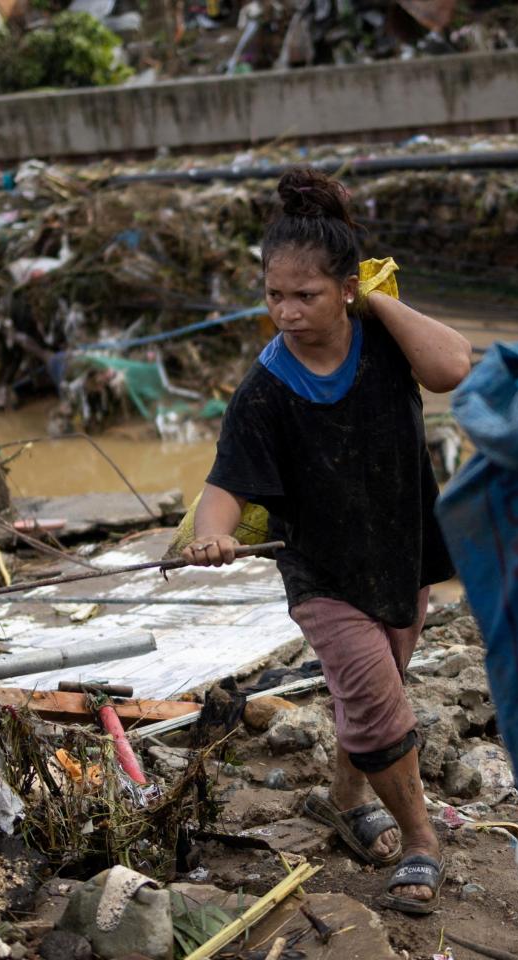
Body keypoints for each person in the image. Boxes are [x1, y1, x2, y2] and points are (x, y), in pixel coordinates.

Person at [182, 169, 473, 915]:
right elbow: (224, 492)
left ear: (346, 288)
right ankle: (420, 842)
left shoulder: (384, 338)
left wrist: (378, 301)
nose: (285, 312)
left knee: (380, 683)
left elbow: (451, 368)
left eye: (304, 295)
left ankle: (345, 802)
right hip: (321, 571)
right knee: (377, 701)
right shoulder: (265, 392)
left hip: (402, 551)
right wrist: (212, 539)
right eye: (274, 295)